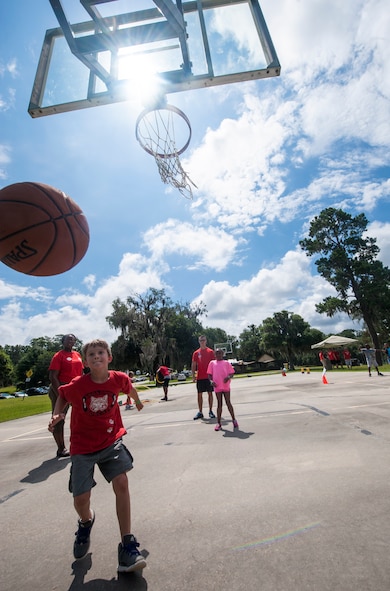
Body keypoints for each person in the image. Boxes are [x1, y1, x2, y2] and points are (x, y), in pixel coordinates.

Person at [48, 339, 146, 573]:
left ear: (109, 357)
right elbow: (62, 395)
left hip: (111, 441)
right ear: (86, 361)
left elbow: (128, 388)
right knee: (81, 500)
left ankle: (127, 546)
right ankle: (85, 521)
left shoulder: (118, 378)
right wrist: (56, 415)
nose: (96, 356)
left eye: (100, 352)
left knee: (121, 482)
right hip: (82, 447)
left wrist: (138, 400)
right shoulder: (78, 385)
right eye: (91, 354)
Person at [48, 333, 84, 458]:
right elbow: (53, 376)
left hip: (76, 388)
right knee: (59, 419)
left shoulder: (77, 355)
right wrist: (61, 394)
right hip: (61, 388)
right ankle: (61, 448)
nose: (71, 341)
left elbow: (81, 373)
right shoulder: (59, 356)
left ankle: (81, 444)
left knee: (82, 416)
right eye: (68, 339)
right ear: (63, 341)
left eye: (73, 340)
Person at [207, 349, 237, 431]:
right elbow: (209, 374)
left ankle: (234, 419)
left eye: (220, 353)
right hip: (217, 386)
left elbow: (232, 373)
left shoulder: (226, 363)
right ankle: (219, 423)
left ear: (223, 354)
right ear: (214, 355)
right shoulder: (212, 363)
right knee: (219, 404)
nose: (218, 355)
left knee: (228, 402)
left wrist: (228, 377)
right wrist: (211, 381)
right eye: (217, 353)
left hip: (225, 386)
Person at [191, 335, 216, 420]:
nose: (202, 341)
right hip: (200, 377)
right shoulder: (196, 353)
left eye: (203, 340)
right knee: (199, 394)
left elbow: (214, 364)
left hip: (209, 376)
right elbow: (194, 365)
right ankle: (200, 412)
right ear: (199, 341)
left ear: (206, 341)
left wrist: (214, 375)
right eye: (201, 340)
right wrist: (193, 376)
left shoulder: (210, 352)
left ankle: (210, 411)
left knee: (210, 393)